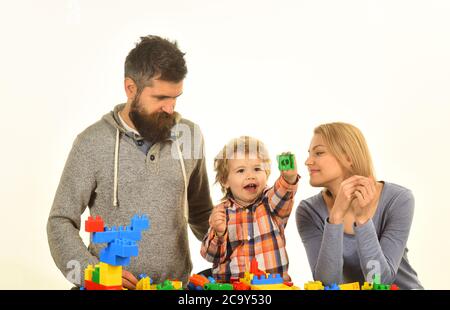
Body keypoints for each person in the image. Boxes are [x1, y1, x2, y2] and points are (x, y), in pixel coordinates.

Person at [47, 35, 213, 289]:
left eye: (175, 97)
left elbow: (202, 213)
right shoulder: (91, 142)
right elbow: (60, 220)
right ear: (130, 88)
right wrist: (90, 272)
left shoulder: (189, 136)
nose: (170, 108)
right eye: (160, 98)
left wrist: (234, 246)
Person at [296, 122, 423, 289]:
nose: (307, 161)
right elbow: (326, 283)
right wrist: (335, 218)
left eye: (318, 153)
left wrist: (363, 220)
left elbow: (379, 281)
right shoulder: (308, 212)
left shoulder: (398, 199)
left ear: (348, 158)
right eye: (309, 154)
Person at [201, 136, 300, 281]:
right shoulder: (221, 213)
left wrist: (289, 178)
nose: (250, 176)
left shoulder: (270, 203)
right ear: (225, 180)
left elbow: (284, 192)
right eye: (241, 171)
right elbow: (210, 256)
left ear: (266, 173)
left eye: (257, 169)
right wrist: (219, 233)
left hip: (273, 287)